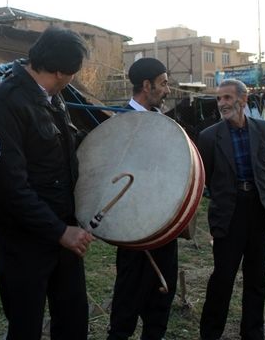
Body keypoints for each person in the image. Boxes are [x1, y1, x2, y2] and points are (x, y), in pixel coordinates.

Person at [0, 27, 95, 340]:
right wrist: (59, 231)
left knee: (73, 322)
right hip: (25, 242)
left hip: (64, 234)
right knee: (25, 326)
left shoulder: (54, 99)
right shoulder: (2, 105)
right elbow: (8, 187)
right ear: (61, 71)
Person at [197, 79, 265, 340]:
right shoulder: (209, 137)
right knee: (223, 278)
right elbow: (205, 178)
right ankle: (210, 333)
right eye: (219, 98)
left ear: (242, 101)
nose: (222, 103)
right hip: (228, 213)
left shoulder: (264, 130)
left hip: (257, 209)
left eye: (227, 98)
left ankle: (253, 333)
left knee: (257, 278)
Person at [107, 57, 177, 340]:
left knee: (160, 307)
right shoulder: (117, 124)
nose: (167, 90)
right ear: (146, 85)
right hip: (134, 232)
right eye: (163, 83)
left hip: (166, 228)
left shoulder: (165, 122)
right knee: (126, 310)